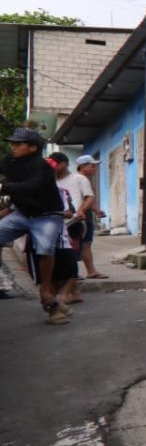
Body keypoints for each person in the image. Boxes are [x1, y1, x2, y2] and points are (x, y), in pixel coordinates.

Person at [0, 128, 73, 324]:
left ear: (33, 147)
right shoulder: (8, 162)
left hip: (47, 216)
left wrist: (2, 187)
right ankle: (52, 301)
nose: (13, 147)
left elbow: (31, 186)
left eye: (18, 144)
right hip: (22, 214)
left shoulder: (43, 167)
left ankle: (46, 291)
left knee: (44, 250)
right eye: (12, 143)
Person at [48, 152, 85, 303]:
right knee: (56, 268)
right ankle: (67, 294)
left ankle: (67, 294)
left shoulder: (65, 189)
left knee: (70, 265)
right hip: (50, 235)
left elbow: (70, 212)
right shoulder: (45, 187)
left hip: (67, 230)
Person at [73, 154, 108, 279]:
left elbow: (87, 198)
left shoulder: (83, 179)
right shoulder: (79, 179)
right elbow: (84, 199)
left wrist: (96, 210)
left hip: (84, 216)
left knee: (85, 244)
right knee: (77, 244)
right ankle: (73, 273)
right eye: (92, 166)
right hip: (80, 217)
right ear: (82, 166)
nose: (95, 169)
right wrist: (81, 211)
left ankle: (90, 271)